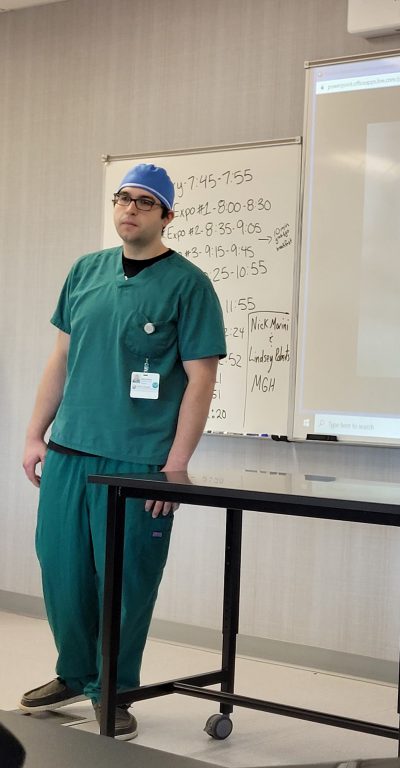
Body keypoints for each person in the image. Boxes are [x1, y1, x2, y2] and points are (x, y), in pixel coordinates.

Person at [18, 164, 226, 740]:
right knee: (62, 572)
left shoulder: (189, 284)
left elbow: (201, 379)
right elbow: (59, 359)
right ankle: (74, 672)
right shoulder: (85, 272)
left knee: (126, 582)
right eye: (122, 198)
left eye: (144, 202)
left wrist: (175, 467)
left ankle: (115, 688)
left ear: (166, 216)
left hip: (138, 463)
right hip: (70, 452)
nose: (129, 209)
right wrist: (36, 434)